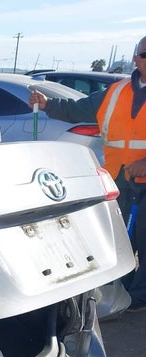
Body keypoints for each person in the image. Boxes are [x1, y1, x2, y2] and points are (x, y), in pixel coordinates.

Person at [29, 35, 146, 312]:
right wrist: (47, 103)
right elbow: (79, 109)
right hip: (120, 178)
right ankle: (123, 291)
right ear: (136, 58)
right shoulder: (116, 91)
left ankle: (141, 297)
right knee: (121, 238)